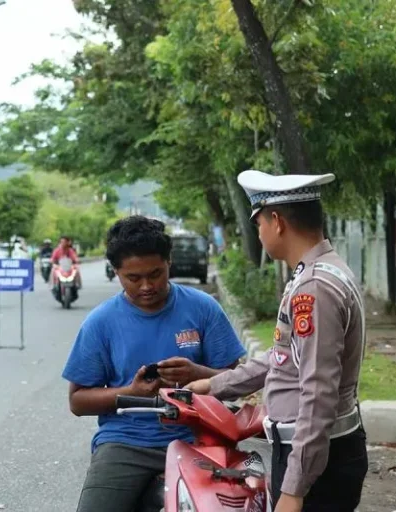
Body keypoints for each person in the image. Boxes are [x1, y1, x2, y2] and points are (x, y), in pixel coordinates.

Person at [187, 170, 368, 512]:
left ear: (277, 221)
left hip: (318, 465)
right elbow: (283, 357)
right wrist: (215, 386)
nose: (259, 233)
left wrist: (295, 489)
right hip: (317, 454)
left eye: (259, 224)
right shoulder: (318, 272)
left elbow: (318, 393)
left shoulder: (314, 288)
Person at [62, 215, 248, 512]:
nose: (147, 286)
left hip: (198, 438)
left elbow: (238, 381)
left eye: (155, 274)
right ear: (116, 272)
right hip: (125, 442)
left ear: (169, 261)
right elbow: (78, 401)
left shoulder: (203, 309)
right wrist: (132, 392)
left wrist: (198, 374)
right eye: (133, 278)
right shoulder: (100, 322)